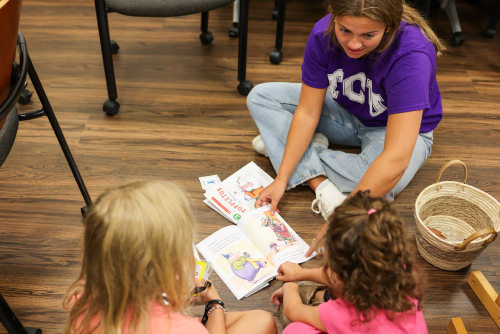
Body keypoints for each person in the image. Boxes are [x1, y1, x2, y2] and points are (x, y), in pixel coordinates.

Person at [247, 0, 445, 256]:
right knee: (260, 97)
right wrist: (281, 179)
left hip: (398, 130)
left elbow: (396, 157)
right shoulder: (323, 33)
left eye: (368, 35)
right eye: (345, 31)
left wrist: (343, 216)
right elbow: (307, 111)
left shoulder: (411, 54)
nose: (353, 44)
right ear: (334, 18)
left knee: (389, 180)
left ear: (388, 27)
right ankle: (317, 178)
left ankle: (295, 153)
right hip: (348, 110)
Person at [63, 180, 277, 334]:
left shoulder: (81, 298)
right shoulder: (183, 329)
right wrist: (214, 302)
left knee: (261, 320)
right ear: (167, 267)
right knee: (263, 323)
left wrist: (169, 300)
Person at [270, 190, 427, 333]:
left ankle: (320, 298)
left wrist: (290, 286)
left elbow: (294, 311)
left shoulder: (346, 316)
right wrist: (299, 273)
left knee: (296, 330)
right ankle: (321, 297)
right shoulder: (401, 271)